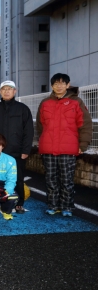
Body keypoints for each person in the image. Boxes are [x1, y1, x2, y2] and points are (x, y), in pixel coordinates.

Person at [36, 73, 92, 217]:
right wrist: (43, 141)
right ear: (52, 86)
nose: (59, 86)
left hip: (69, 148)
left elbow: (85, 125)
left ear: (68, 85)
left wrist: (83, 144)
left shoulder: (76, 102)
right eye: (55, 83)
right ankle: (52, 205)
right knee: (51, 180)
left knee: (67, 181)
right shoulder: (45, 103)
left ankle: (67, 206)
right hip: (48, 148)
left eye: (62, 83)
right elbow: (40, 125)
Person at [0, 80, 34, 214]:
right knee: (0, 178)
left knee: (17, 178)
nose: (7, 91)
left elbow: (28, 131)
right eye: (4, 89)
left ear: (15, 91)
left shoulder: (22, 108)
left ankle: (20, 202)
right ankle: (4, 201)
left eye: (10, 89)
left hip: (17, 151)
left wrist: (26, 150)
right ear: (0, 92)